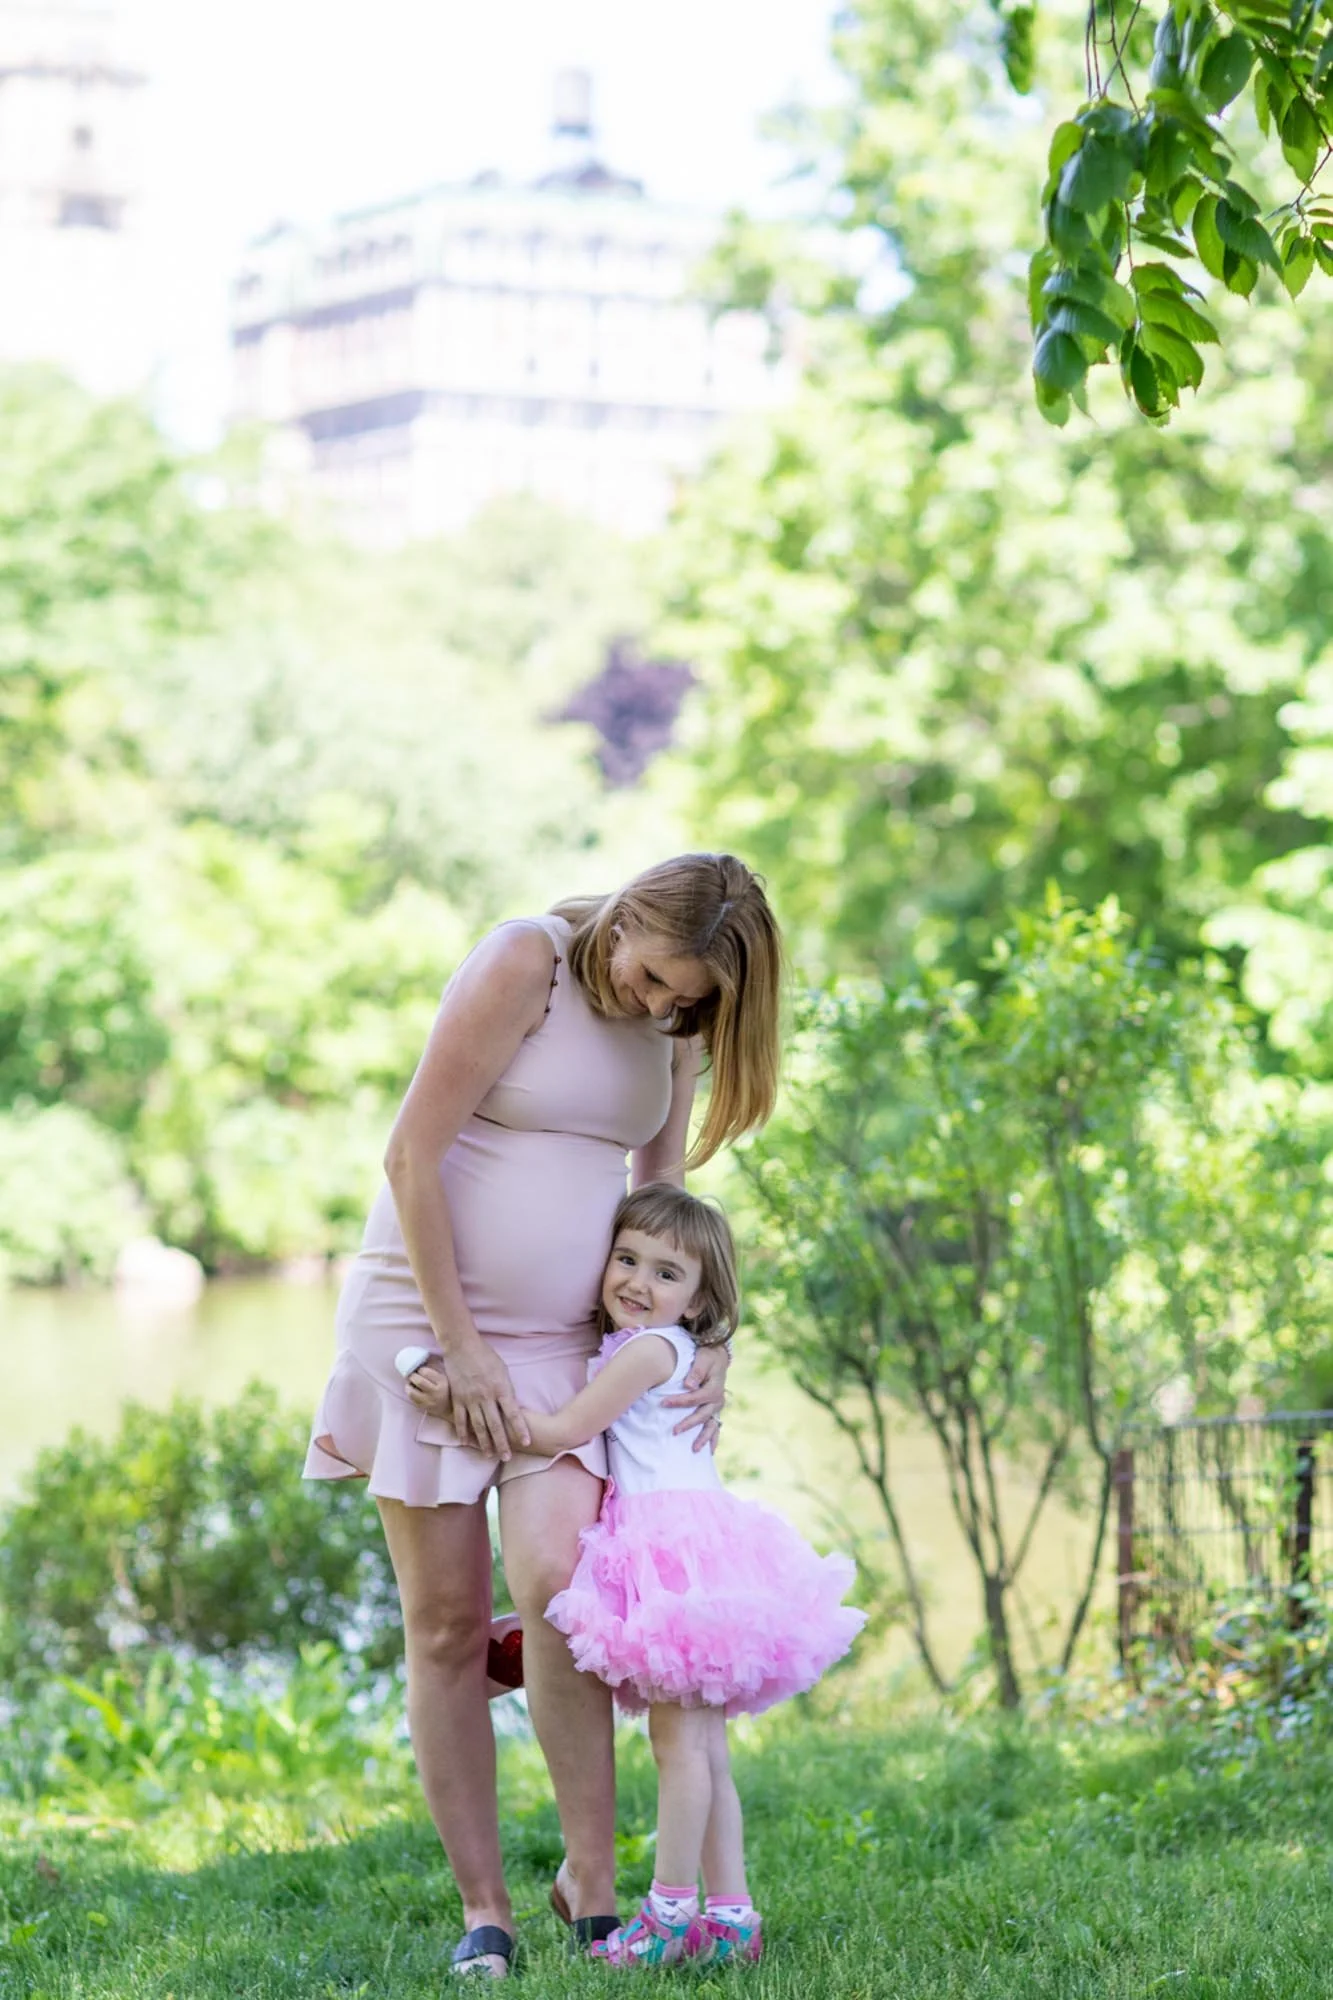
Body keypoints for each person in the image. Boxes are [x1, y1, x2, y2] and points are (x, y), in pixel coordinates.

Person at [302, 854, 783, 1979]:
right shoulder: (528, 961)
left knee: (566, 1590)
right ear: (626, 922)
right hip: (424, 1324)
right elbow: (411, 1152)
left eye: (693, 1000)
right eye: (664, 977)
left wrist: (701, 1338)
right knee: (446, 1624)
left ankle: (592, 1886)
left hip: (568, 1344)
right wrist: (460, 1344)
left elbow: (661, 1210)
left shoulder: (673, 1023)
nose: (668, 1006)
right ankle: (486, 1910)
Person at [517, 1183, 867, 1970]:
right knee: (703, 1751)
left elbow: (566, 1429)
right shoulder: (669, 1346)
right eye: (626, 1258)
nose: (637, 1281)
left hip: (669, 1554)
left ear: (701, 1296)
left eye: (666, 1273)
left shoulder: (644, 1351)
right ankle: (734, 1919)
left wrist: (465, 1405)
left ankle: (669, 1914)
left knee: (678, 1749)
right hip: (702, 1548)